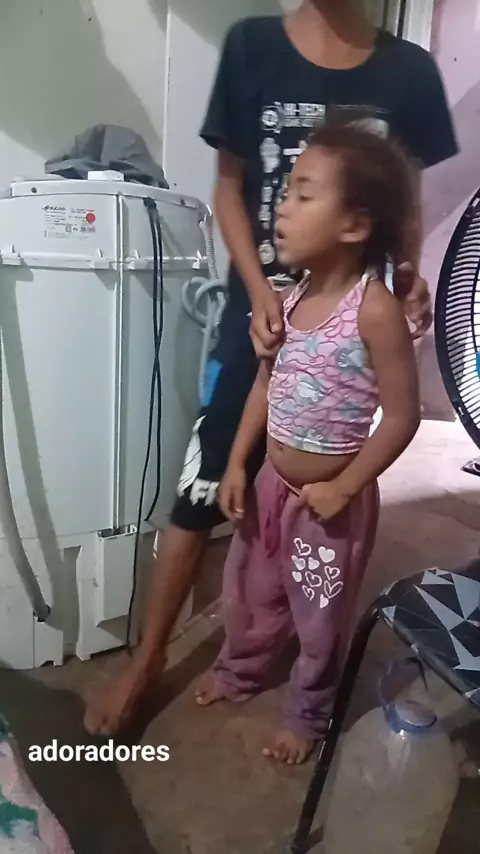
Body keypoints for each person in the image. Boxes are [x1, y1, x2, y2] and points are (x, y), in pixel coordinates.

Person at [83, 0, 458, 737]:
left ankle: (308, 695)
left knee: (319, 583)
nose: (288, 205)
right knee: (207, 497)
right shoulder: (253, 47)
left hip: (338, 387)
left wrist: (408, 273)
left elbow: (404, 201)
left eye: (303, 195)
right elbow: (230, 188)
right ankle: (155, 661)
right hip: (258, 316)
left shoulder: (410, 73)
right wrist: (261, 293)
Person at [194, 124, 420, 765]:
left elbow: (402, 418)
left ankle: (308, 712)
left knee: (320, 614)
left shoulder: (374, 310)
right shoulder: (289, 302)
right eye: (286, 191)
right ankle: (240, 670)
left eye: (302, 193)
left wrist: (344, 487)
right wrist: (236, 464)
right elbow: (265, 387)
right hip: (273, 485)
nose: (282, 206)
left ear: (354, 225)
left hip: (330, 505)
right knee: (251, 590)